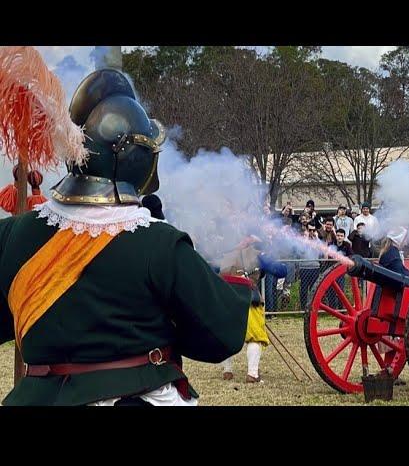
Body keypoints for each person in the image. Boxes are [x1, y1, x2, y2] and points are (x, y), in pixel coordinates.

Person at [0, 69, 252, 406]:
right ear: (132, 156)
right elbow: (220, 336)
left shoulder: (12, 234)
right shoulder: (159, 243)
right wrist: (234, 282)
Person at [221, 238, 288, 383]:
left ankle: (227, 371)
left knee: (227, 336)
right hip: (249, 300)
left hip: (226, 300)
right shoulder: (258, 255)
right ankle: (252, 374)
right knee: (255, 337)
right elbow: (282, 271)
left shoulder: (225, 255)